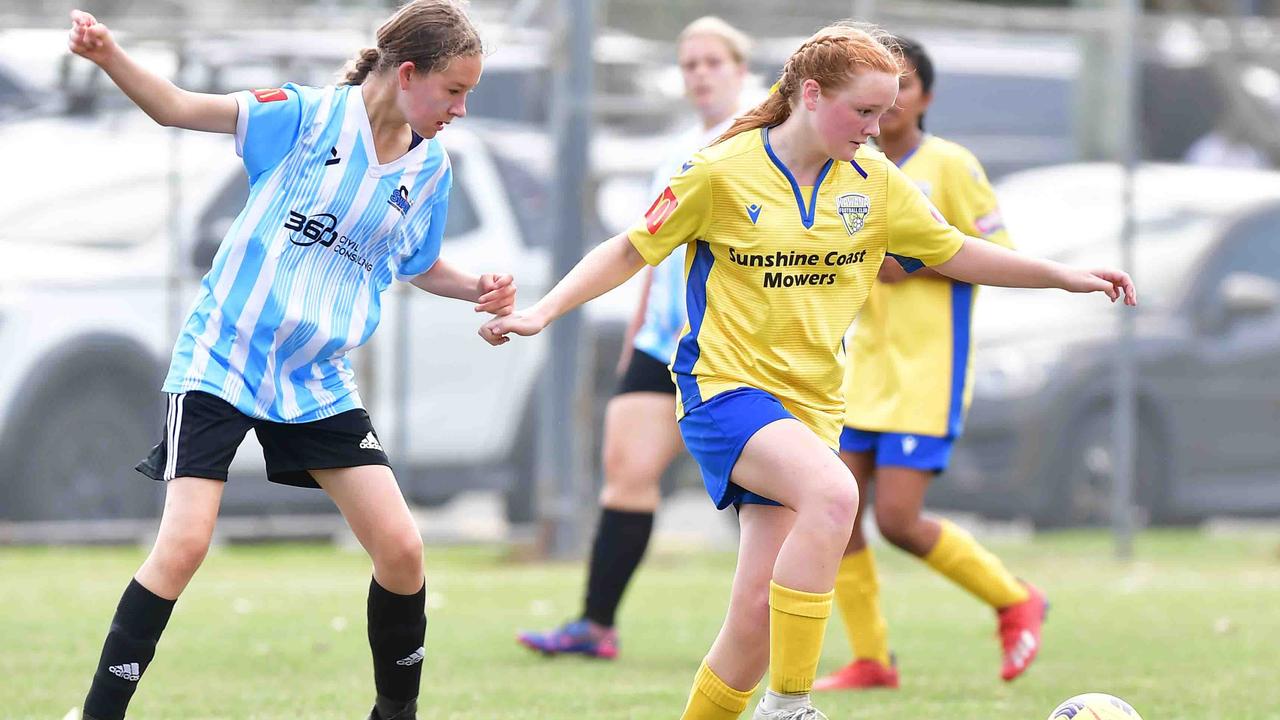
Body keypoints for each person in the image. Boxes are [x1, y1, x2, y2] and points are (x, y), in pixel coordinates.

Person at [481, 21, 1135, 720]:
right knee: (834, 495)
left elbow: (954, 250)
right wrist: (543, 312)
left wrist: (1065, 276)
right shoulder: (720, 170)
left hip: (812, 409)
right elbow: (630, 249)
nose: (876, 128)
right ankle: (788, 707)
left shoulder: (874, 183)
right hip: (723, 391)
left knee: (754, 621)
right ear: (813, 95)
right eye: (864, 112)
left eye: (885, 113)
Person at [66, 3, 513, 719]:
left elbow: (417, 263)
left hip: (317, 379)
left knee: (401, 550)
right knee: (183, 546)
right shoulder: (303, 117)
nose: (462, 108)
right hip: (226, 355)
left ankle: (395, 715)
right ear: (407, 74)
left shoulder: (430, 168)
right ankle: (96, 714)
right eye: (455, 90)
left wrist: (476, 289)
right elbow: (178, 108)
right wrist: (109, 55)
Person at [516, 15, 752, 661]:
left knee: (762, 493)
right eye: (690, 64)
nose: (700, 74)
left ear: (740, 69)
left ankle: (773, 630)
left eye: (712, 62)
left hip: (732, 350)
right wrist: (638, 333)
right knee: (625, 472)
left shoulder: (760, 145)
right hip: (661, 345)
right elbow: (649, 250)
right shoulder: (677, 153)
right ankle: (595, 625)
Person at [812, 36, 1042, 693]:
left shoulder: (950, 165)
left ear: (925, 98)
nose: (888, 104)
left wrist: (909, 261)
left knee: (900, 520)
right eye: (878, 90)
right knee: (835, 512)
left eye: (904, 87)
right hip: (860, 370)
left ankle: (1013, 597)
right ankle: (872, 658)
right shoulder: (851, 164)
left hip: (927, 370)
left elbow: (998, 250)